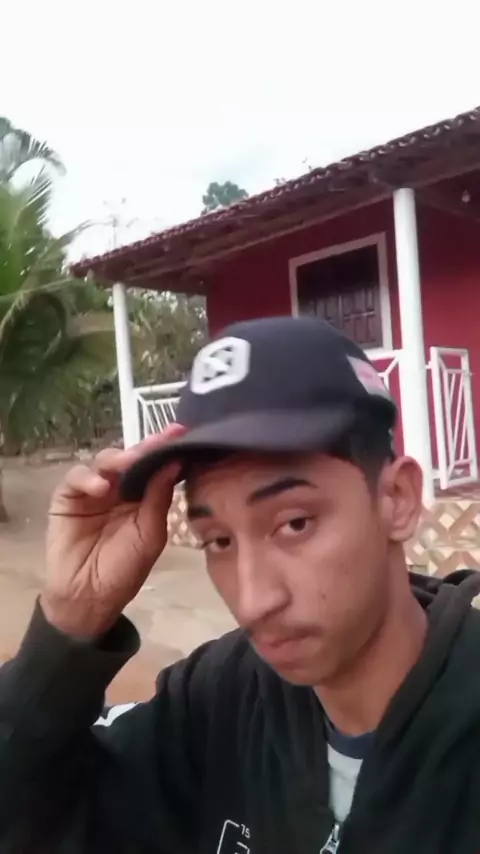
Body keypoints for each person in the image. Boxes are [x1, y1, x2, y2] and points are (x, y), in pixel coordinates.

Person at [1, 315, 480, 854]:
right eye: (219, 541)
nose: (253, 602)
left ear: (397, 499)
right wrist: (71, 620)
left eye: (294, 523)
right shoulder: (217, 699)